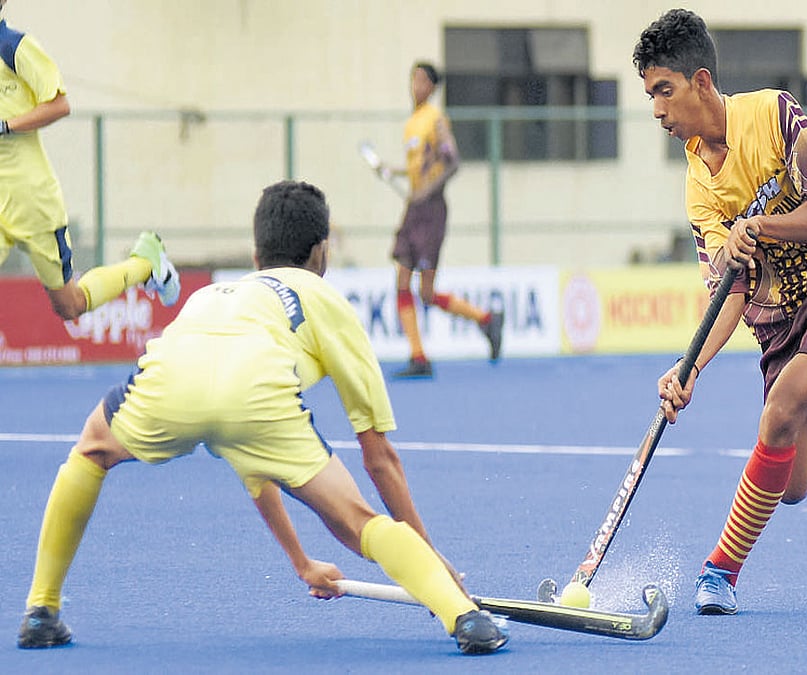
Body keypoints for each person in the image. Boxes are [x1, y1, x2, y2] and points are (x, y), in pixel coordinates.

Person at [16, 180, 509, 655]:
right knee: (355, 522)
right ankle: (464, 618)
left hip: (171, 381)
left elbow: (244, 455)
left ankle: (41, 611)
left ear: (256, 257)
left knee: (91, 450)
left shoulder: (211, 296)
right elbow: (379, 458)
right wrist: (429, 558)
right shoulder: (326, 300)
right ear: (322, 253)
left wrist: (302, 564)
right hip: (262, 395)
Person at [633, 9, 807, 615]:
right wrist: (688, 368)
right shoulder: (697, 184)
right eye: (649, 97)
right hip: (779, 313)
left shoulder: (773, 114)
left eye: (664, 91)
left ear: (700, 82)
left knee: (782, 405)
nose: (657, 111)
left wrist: (758, 224)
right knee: (792, 484)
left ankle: (719, 570)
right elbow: (730, 292)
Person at [0, 2, 179, 319]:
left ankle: (145, 263)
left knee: (70, 305)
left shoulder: (14, 46)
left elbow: (58, 105)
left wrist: (6, 126)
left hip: (31, 198)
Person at [375, 61, 503, 379]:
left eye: (422, 80)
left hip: (431, 211)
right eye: (413, 79)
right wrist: (393, 171)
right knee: (402, 279)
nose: (416, 85)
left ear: (432, 88)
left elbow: (452, 161)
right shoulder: (412, 124)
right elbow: (420, 167)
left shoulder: (435, 120)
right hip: (414, 208)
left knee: (427, 292)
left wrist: (426, 192)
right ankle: (419, 356)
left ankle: (486, 319)